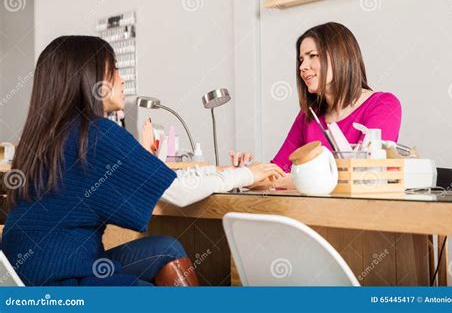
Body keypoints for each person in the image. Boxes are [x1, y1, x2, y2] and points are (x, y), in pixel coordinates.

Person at [2, 36, 284, 286]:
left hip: (26, 279)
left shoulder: (42, 138)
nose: (121, 79)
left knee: (166, 249)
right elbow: (180, 192)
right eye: (113, 70)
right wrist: (247, 175)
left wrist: (225, 171)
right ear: (90, 79)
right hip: (65, 284)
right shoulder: (96, 133)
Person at [231, 22, 401, 188]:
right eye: (301, 60)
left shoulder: (384, 104)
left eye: (312, 56)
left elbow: (362, 173)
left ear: (339, 56)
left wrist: (287, 179)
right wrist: (248, 173)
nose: (302, 67)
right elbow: (277, 174)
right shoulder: (309, 116)